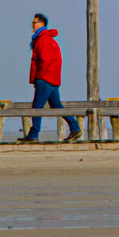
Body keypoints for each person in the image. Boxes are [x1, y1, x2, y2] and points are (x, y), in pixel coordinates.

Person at [21, 14, 81, 143]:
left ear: (41, 24)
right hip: (52, 79)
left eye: (34, 22)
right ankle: (75, 127)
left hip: (45, 79)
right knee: (56, 105)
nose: (32, 25)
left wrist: (40, 77)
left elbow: (45, 60)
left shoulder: (43, 40)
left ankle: (33, 135)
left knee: (37, 107)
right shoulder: (47, 39)